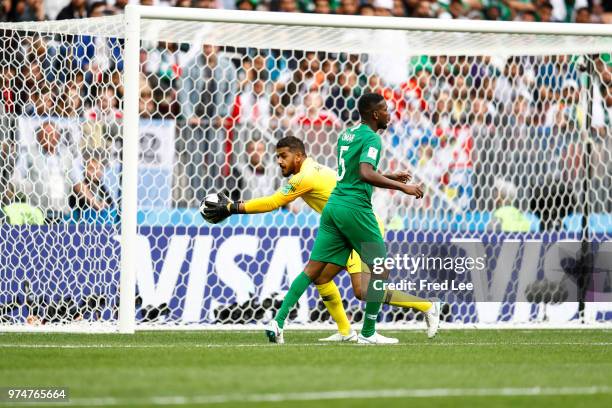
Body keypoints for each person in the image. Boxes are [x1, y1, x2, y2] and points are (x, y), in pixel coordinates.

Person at [203, 94, 440, 344]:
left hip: (346, 214)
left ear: (298, 156)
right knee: (324, 276)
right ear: (375, 114)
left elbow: (277, 201)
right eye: (385, 110)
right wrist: (399, 185)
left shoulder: (345, 136)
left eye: (283, 156)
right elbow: (360, 173)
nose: (279, 162)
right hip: (350, 213)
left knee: (357, 288)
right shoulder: (360, 144)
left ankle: (421, 308)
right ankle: (353, 332)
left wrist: (232, 207)